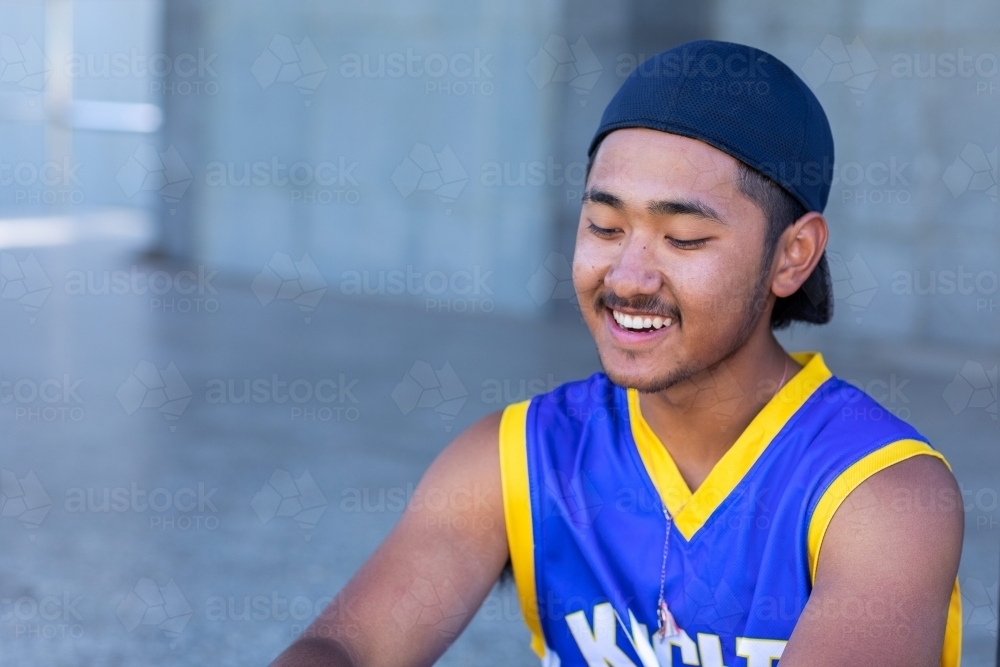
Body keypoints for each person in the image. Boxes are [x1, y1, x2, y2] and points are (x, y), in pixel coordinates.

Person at [271, 40, 962, 667]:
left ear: (793, 255)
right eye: (604, 226)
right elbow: (346, 645)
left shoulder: (878, 495)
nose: (627, 276)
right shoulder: (517, 457)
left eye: (683, 238)